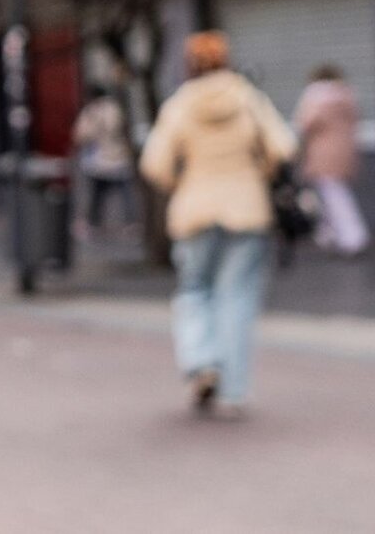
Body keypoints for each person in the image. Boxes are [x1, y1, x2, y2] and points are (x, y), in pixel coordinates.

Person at [140, 31, 297, 420]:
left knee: (195, 290)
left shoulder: (180, 105)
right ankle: (234, 392)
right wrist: (259, 170)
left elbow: (154, 164)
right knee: (237, 299)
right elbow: (284, 146)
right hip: (247, 208)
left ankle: (202, 361)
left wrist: (181, 183)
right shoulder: (249, 99)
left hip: (195, 209)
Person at [294, 64, 368, 256]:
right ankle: (329, 235)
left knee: (334, 196)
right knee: (332, 195)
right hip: (344, 152)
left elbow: (305, 124)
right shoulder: (346, 95)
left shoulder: (317, 98)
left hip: (323, 154)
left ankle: (352, 237)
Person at [72, 87, 135, 233]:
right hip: (115, 158)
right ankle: (128, 221)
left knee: (99, 194)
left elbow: (82, 134)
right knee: (115, 193)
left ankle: (94, 222)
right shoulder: (114, 108)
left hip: (103, 158)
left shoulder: (94, 111)